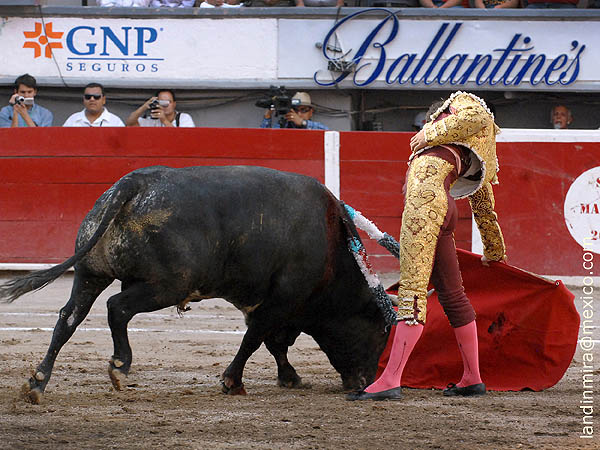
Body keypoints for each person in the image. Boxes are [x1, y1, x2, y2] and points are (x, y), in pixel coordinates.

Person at [347, 91, 506, 401]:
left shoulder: (454, 117)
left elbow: (476, 116)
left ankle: (390, 379)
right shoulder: (470, 148)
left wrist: (428, 131)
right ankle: (472, 378)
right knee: (452, 293)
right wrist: (494, 250)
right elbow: (484, 205)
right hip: (446, 205)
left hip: (425, 201)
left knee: (412, 291)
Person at [125, 90, 195, 128]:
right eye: (162, 102)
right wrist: (144, 107)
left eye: (168, 102)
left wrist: (164, 120)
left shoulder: (184, 118)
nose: (165, 105)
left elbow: (184, 138)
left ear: (174, 104)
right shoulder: (151, 119)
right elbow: (130, 124)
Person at [260, 92, 329, 130]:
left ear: (311, 112)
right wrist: (268, 114)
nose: (298, 114)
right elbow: (264, 138)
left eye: (303, 110)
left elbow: (327, 132)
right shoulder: (283, 125)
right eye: (295, 110)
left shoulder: (315, 127)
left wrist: (302, 123)